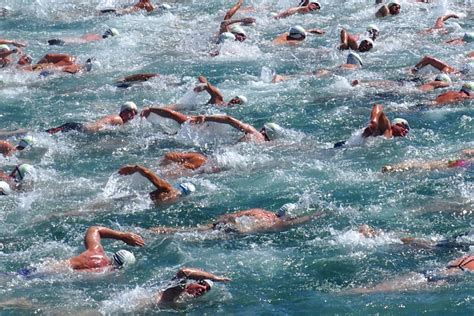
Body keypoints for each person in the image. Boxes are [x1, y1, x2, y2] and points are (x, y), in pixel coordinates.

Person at [16, 226, 144, 278]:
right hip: (44, 275)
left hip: (44, 268)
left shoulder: (96, 251)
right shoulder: (103, 271)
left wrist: (122, 236)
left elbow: (94, 229)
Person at [150, 205, 324, 234]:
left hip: (230, 222)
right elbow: (300, 221)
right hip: (239, 231)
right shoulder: (278, 223)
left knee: (191, 231)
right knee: (195, 235)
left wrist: (224, 219)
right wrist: (319, 214)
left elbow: (233, 215)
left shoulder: (260, 211)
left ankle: (160, 230)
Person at [140, 107, 284, 143]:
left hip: (221, 147)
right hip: (225, 152)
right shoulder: (266, 145)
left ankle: (150, 110)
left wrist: (205, 117)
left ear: (264, 130)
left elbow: (228, 118)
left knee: (184, 120)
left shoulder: (254, 133)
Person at [334, 104, 409, 147]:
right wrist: (374, 121)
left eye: (407, 131)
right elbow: (378, 106)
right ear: (396, 125)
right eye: (404, 128)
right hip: (342, 147)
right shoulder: (387, 129)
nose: (405, 132)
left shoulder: (390, 139)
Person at [118, 164, 195, 203]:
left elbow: (148, 173)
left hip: (133, 201)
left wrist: (136, 168)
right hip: (136, 202)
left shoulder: (169, 188)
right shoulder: (175, 199)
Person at [46, 101, 138, 134]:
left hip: (79, 128)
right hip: (79, 129)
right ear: (122, 111)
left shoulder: (116, 118)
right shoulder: (119, 119)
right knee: (50, 133)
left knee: (50, 133)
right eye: (129, 110)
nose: (132, 114)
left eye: (135, 112)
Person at [153, 268, 231, 306]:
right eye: (202, 284)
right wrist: (215, 278)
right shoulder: (174, 291)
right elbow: (184, 272)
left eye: (207, 289)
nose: (204, 289)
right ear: (191, 283)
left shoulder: (181, 302)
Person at [382, 148, 473, 172]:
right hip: (462, 163)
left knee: (429, 165)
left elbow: (465, 151)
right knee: (430, 166)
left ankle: (393, 167)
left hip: (461, 162)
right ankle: (394, 168)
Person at [18, 53, 93, 74]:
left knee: (21, 71)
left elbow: (48, 56)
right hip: (49, 72)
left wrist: (37, 64)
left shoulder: (69, 58)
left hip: (42, 67)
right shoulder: (75, 67)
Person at [47, 28, 119, 45]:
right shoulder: (101, 40)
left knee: (68, 40)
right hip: (81, 42)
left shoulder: (95, 34)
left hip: (77, 38)